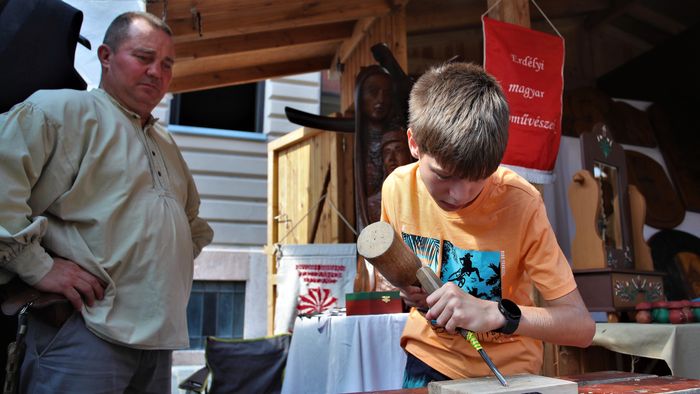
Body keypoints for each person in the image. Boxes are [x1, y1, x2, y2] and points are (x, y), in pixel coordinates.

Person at [0, 11, 213, 393]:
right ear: (105, 56)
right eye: (144, 57)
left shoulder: (165, 143)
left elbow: (191, 226)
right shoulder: (59, 111)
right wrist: (35, 264)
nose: (156, 72)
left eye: (166, 64)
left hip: (158, 340)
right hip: (82, 332)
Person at [378, 62, 595, 387]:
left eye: (478, 179)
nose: (460, 195)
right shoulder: (396, 188)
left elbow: (581, 327)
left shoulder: (521, 202)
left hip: (507, 375)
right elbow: (393, 278)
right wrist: (404, 291)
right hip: (426, 361)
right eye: (444, 175)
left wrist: (497, 314)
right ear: (414, 143)